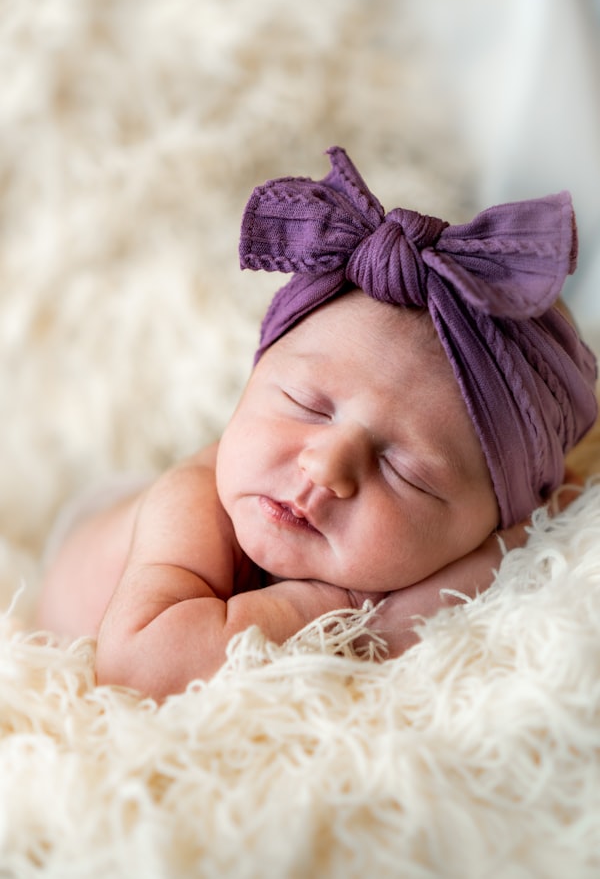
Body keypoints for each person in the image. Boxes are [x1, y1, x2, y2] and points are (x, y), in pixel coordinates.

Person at [36, 147, 598, 700]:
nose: (325, 464)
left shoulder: (482, 541)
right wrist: (351, 613)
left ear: (488, 525)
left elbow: (533, 544)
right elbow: (141, 671)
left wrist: (520, 544)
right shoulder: (190, 505)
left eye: (407, 473)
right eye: (305, 404)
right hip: (75, 542)